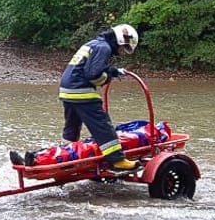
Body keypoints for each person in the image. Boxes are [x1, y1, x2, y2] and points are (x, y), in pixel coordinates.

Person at [9, 24, 141, 172]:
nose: (122, 52)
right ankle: (117, 160)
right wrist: (106, 78)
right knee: (103, 126)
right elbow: (93, 74)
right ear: (121, 40)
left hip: (67, 91)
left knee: (71, 132)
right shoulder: (105, 48)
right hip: (81, 91)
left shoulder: (94, 44)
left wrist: (114, 71)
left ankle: (39, 158)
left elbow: (90, 66)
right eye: (124, 47)